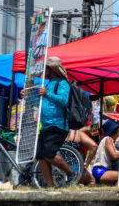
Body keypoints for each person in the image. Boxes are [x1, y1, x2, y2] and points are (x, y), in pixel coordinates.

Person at [34, 57, 74, 188]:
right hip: (45, 125)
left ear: (52, 70)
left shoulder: (63, 83)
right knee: (40, 155)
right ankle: (49, 186)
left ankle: (71, 173)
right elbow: (40, 103)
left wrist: (47, 94)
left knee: (49, 154)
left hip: (57, 125)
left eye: (46, 68)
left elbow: (64, 101)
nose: (44, 71)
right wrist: (27, 97)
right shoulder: (48, 84)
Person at [91, 120, 119, 185]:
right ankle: (116, 193)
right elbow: (114, 156)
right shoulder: (108, 139)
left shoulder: (110, 141)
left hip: (103, 170)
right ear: (115, 130)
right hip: (101, 171)